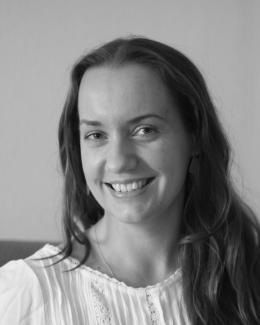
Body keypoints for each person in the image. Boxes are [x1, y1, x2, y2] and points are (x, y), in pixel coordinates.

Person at [0, 36, 259, 325]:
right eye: (96, 135)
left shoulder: (246, 277)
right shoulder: (26, 295)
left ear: (195, 136)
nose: (119, 161)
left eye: (144, 130)